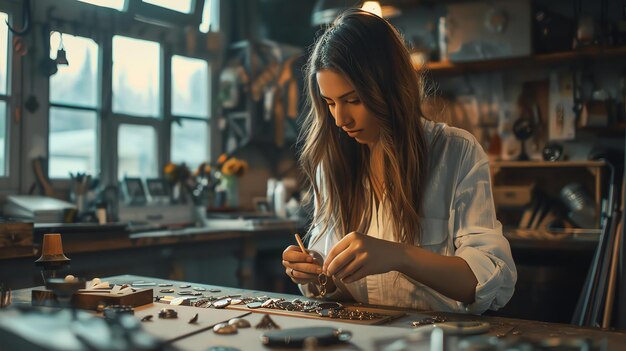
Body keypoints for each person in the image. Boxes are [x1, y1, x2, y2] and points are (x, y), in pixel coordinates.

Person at [282, 8, 516, 314]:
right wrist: (315, 272)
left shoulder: (456, 152)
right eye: (330, 103)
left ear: (389, 88)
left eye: (353, 100)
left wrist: (399, 256)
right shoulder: (335, 162)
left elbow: (490, 282)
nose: (340, 119)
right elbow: (336, 290)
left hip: (438, 341)